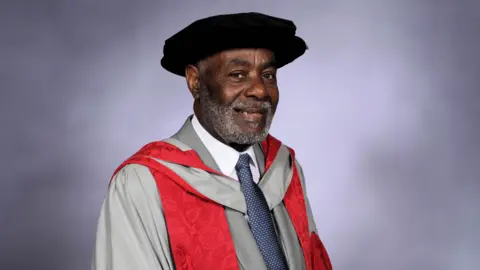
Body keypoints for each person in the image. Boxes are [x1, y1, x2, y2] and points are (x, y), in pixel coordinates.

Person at [92, 12, 332, 270]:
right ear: (195, 82)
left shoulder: (285, 169)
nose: (260, 90)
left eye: (268, 75)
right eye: (238, 74)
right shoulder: (143, 184)